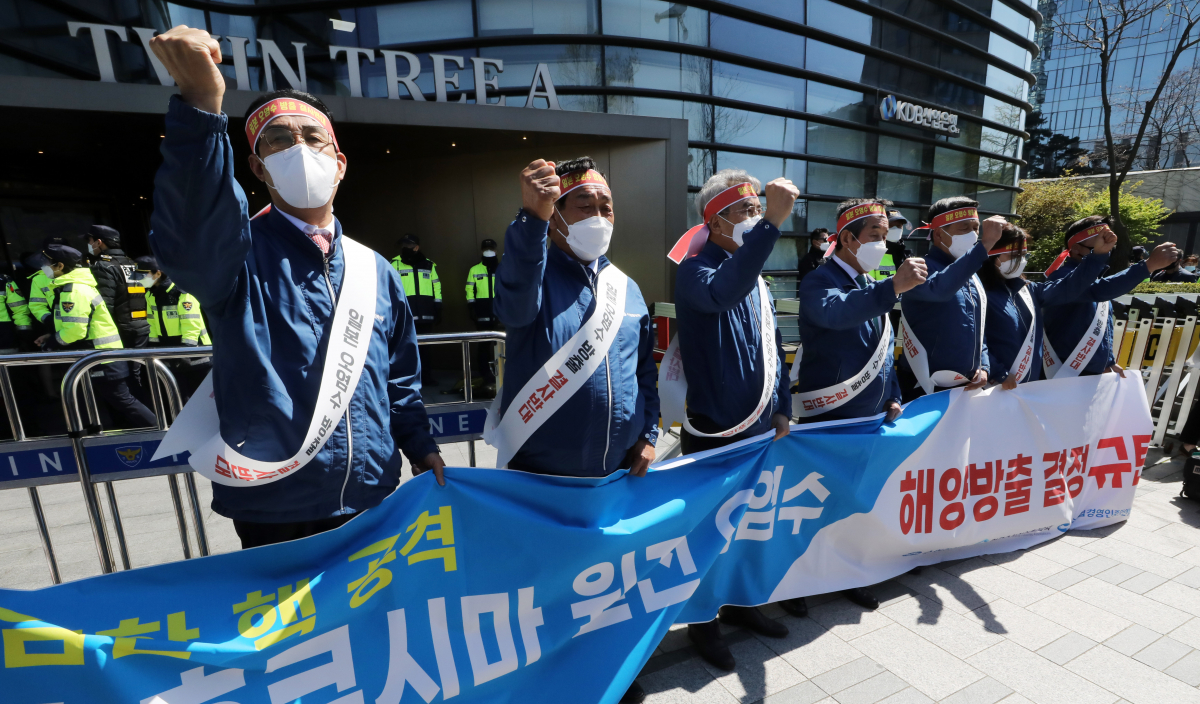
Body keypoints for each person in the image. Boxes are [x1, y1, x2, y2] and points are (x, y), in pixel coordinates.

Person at [148, 25, 444, 549]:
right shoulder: (235, 257)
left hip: (373, 494)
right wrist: (200, 107)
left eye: (312, 137)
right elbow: (193, 231)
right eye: (279, 140)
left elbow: (399, 377)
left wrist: (420, 446)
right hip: (274, 501)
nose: (299, 148)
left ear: (340, 163)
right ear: (258, 167)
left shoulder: (376, 268)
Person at [487, 156, 658, 703]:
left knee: (607, 583)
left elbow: (645, 371)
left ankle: (611, 671)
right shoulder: (533, 272)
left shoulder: (627, 289)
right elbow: (513, 306)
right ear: (557, 214)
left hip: (612, 478)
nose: (599, 215)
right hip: (542, 477)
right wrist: (529, 220)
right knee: (546, 590)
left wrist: (650, 433)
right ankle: (548, 681)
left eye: (607, 206)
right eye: (585, 205)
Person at [668, 169, 796, 670]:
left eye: (758, 209)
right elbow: (721, 293)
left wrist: (782, 404)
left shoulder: (754, 276)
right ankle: (704, 622)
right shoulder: (696, 271)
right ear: (715, 221)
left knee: (749, 529)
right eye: (746, 210)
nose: (756, 216)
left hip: (760, 426)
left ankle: (743, 604)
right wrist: (773, 226)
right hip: (715, 432)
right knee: (708, 537)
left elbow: (773, 345)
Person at [791, 198, 928, 616]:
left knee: (855, 502)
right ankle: (794, 582)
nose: (882, 245)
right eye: (875, 236)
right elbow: (836, 314)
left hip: (869, 415)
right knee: (815, 505)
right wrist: (892, 288)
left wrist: (893, 393)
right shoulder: (820, 280)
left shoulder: (871, 282)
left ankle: (849, 574)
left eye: (885, 236)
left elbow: (882, 348)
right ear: (848, 239)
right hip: (830, 415)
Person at [35, 242, 157, 429]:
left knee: (123, 400)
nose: (43, 267)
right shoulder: (72, 287)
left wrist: (53, 342)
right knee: (106, 399)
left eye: (46, 263)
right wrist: (51, 335)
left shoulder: (74, 290)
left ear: (60, 266)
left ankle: (163, 431)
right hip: (98, 354)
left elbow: (76, 330)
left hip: (102, 356)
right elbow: (73, 323)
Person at [980, 223, 1116, 388]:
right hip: (993, 387)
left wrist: (1098, 256)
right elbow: (972, 341)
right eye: (1013, 255)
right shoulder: (979, 293)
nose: (1021, 261)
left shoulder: (1029, 290)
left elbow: (1070, 287)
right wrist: (999, 373)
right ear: (991, 255)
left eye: (1024, 255)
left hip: (1026, 387)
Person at [896, 197, 1004, 402]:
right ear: (938, 234)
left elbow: (978, 328)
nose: (973, 235)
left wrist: (984, 365)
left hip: (966, 384)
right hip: (924, 385)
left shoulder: (971, 272)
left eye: (976, 228)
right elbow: (940, 290)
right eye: (964, 228)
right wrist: (985, 244)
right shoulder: (918, 268)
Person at [1042, 216, 1177, 379]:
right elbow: (1099, 290)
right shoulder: (1062, 277)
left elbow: (1099, 328)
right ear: (1076, 249)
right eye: (1098, 246)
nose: (1105, 250)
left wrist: (1108, 361)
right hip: (1063, 371)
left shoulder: (1093, 278)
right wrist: (1148, 265)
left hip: (1089, 373)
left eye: (1108, 245)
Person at [137, 255, 212, 399]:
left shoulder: (181, 292)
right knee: (181, 398)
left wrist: (186, 351)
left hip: (196, 354)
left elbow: (191, 324)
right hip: (172, 353)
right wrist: (153, 347)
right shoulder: (151, 295)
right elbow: (152, 323)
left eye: (143, 275)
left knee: (204, 399)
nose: (139, 279)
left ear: (158, 273)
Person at [464, 238, 499, 393]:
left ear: (496, 251)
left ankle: (501, 373)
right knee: (483, 346)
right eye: (486, 249)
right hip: (482, 313)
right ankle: (485, 374)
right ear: (482, 251)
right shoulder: (474, 269)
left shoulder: (502, 268)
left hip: (499, 313)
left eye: (490, 248)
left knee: (500, 345)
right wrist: (472, 307)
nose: (488, 251)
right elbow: (469, 289)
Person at [391, 234, 442, 333]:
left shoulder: (428, 265)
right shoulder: (394, 264)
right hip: (405, 313)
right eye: (403, 245)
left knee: (426, 341)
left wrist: (438, 305)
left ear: (416, 247)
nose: (405, 248)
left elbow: (436, 286)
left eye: (408, 245)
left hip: (425, 312)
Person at [867, 208, 911, 281]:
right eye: (891, 226)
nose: (896, 229)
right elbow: (868, 285)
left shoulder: (908, 256)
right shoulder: (872, 256)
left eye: (899, 226)